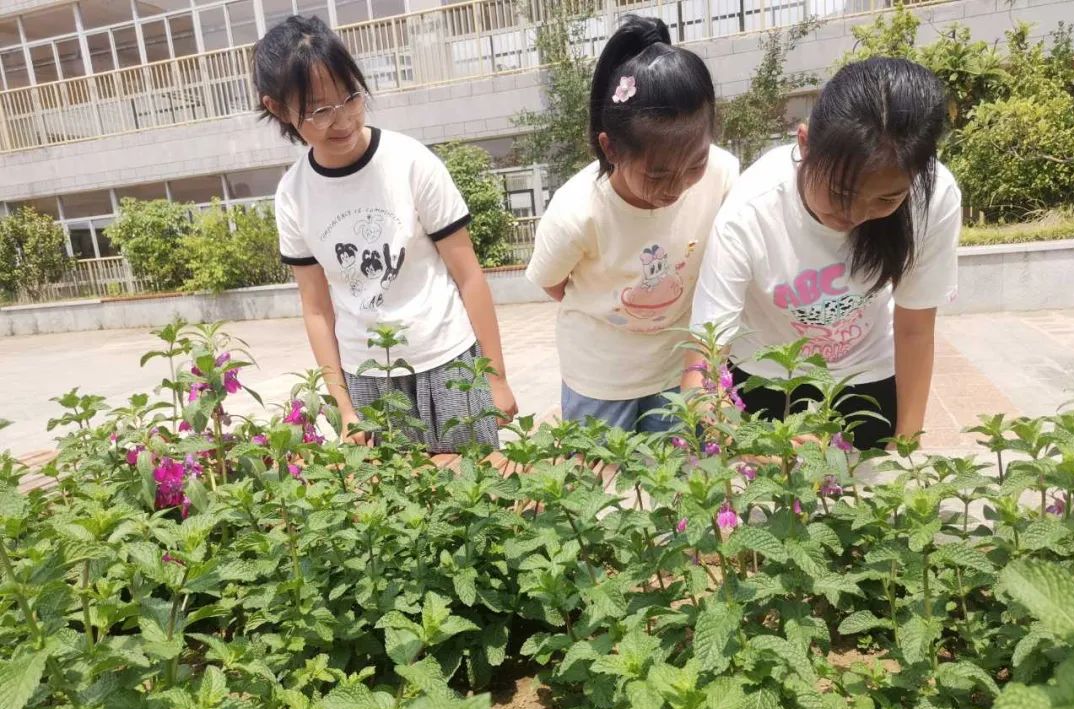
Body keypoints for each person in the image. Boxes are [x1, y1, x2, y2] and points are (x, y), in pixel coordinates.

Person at [253, 15, 517, 452]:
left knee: (478, 506)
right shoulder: (293, 195)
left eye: (350, 97)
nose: (342, 120)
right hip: (368, 379)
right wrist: (343, 408)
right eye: (320, 109)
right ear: (278, 108)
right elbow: (317, 310)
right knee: (395, 513)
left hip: (449, 361)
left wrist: (496, 377)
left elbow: (469, 274)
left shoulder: (411, 162)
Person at [686, 57, 962, 450]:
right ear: (804, 143)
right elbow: (704, 359)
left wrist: (905, 449)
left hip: (866, 382)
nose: (856, 215)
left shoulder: (932, 199)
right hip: (769, 382)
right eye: (841, 194)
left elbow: (915, 329)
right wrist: (739, 445)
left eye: (887, 198)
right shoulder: (750, 212)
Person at [525, 15, 738, 434]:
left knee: (682, 488)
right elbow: (553, 283)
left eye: (694, 164)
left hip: (680, 368)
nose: (677, 188)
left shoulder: (723, 174)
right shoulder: (577, 211)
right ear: (611, 147)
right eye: (658, 175)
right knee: (601, 490)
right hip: (600, 377)